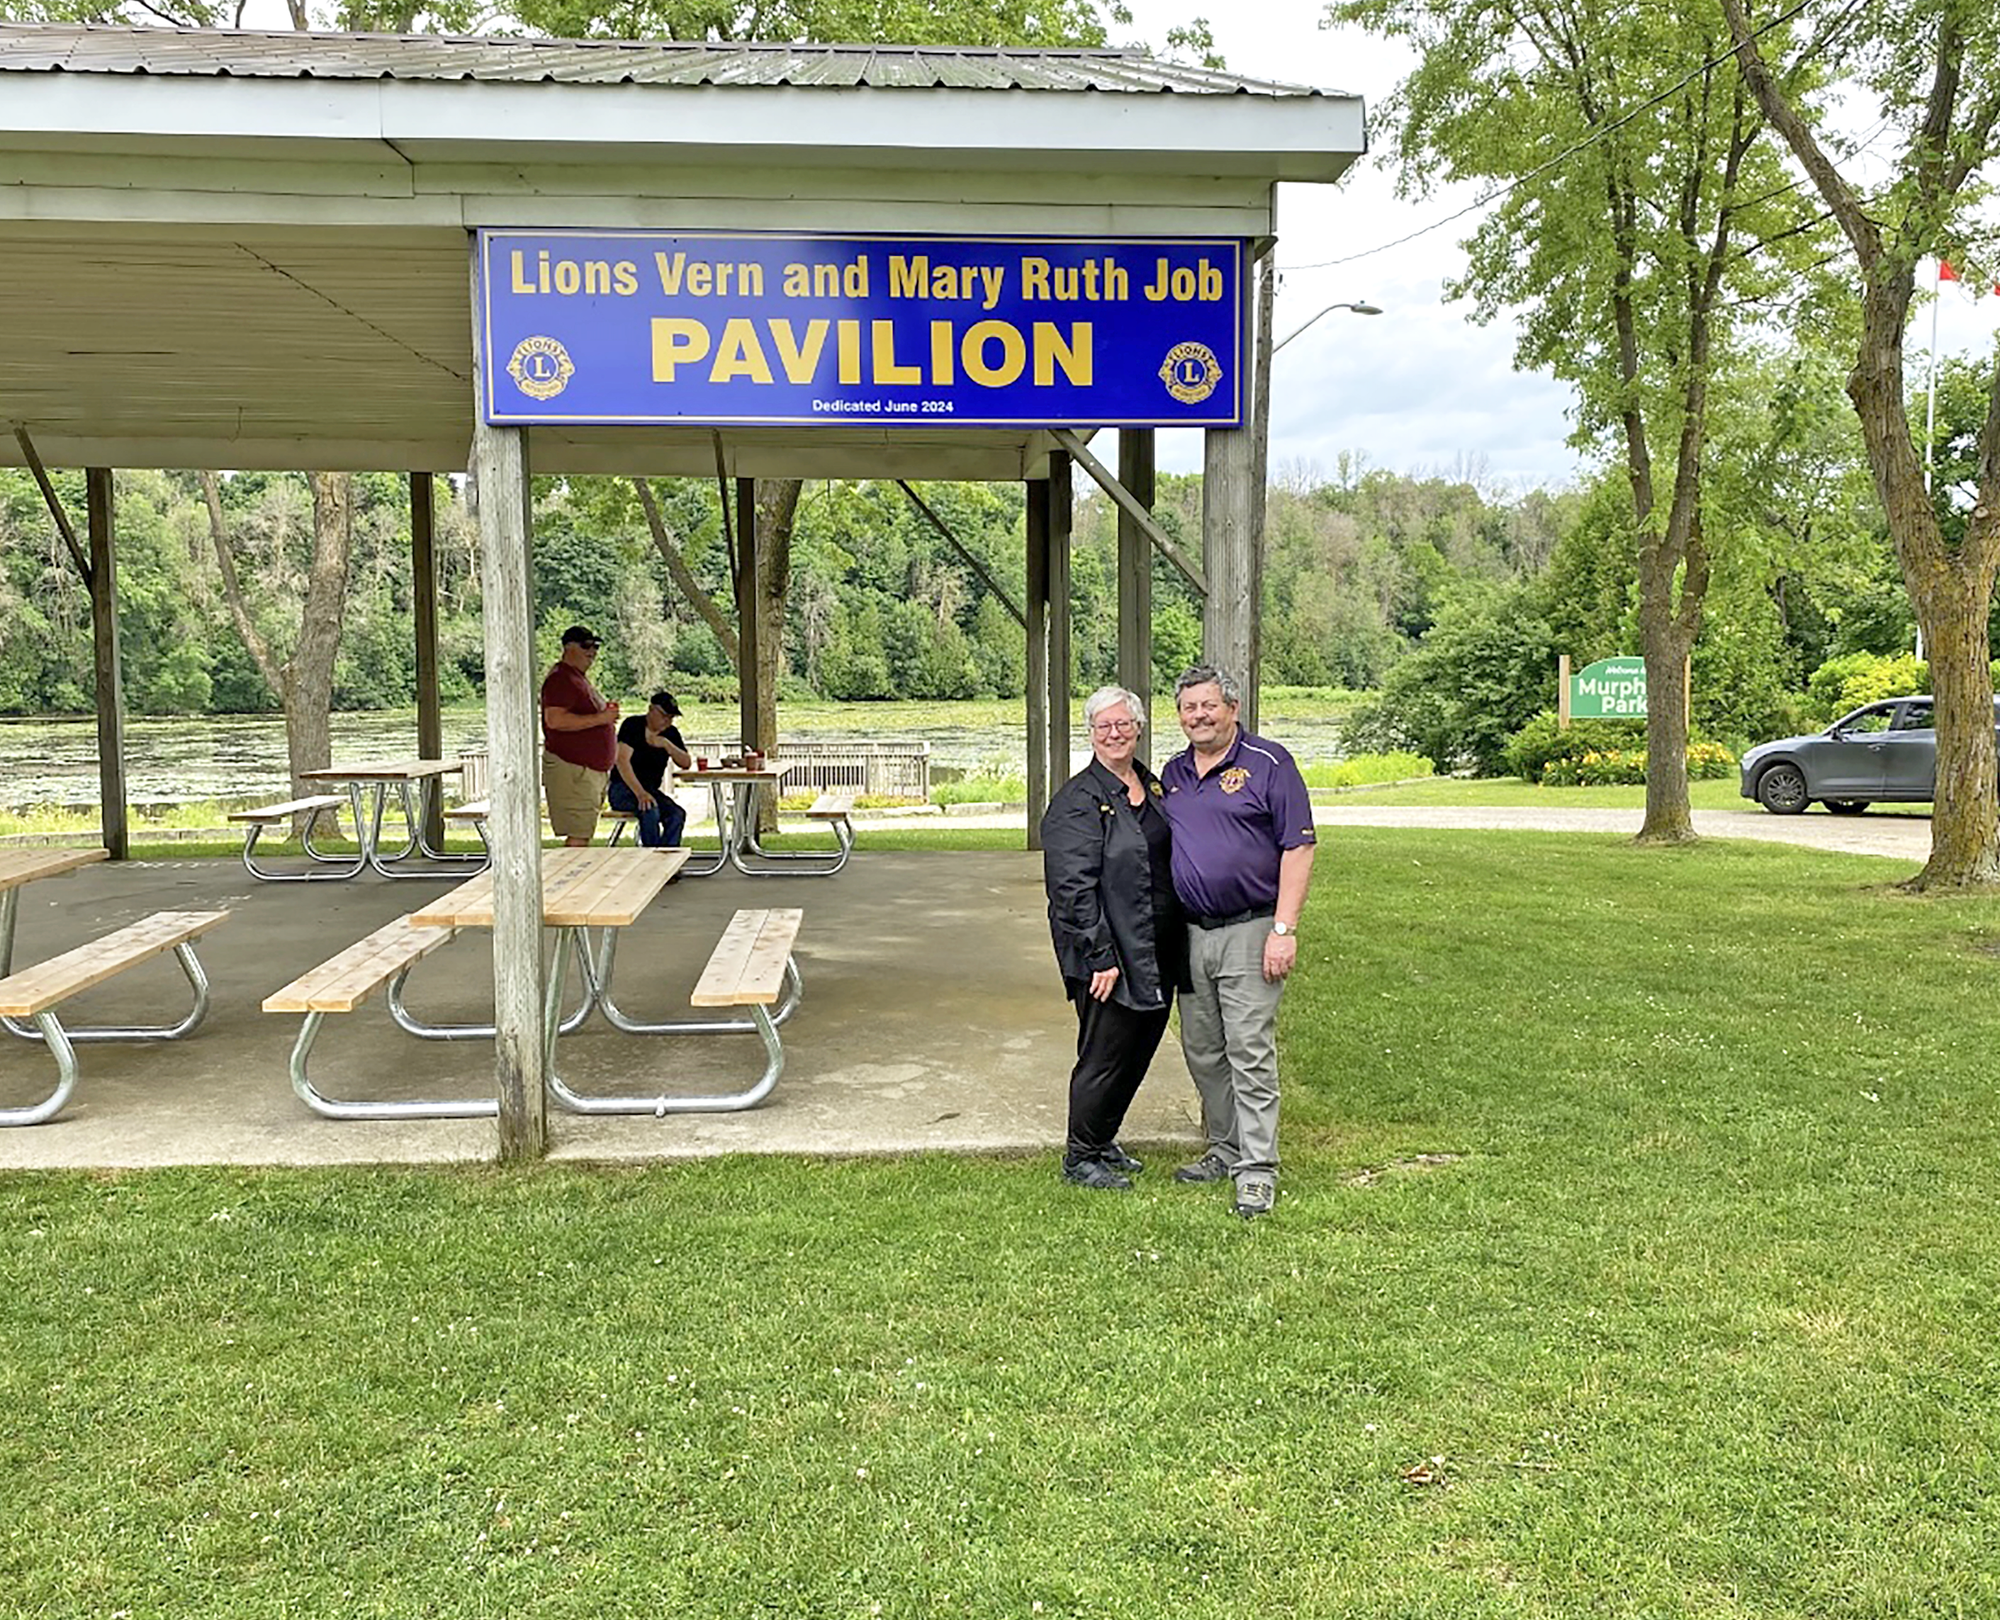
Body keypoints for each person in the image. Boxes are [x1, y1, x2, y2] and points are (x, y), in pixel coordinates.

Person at [1157, 664, 1316, 1218]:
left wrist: (1283, 929)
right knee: (1202, 1050)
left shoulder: (1270, 765)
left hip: (1252, 930)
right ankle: (1224, 1150)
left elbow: (1297, 849)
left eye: (1208, 706)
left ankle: (1258, 1169)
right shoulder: (1173, 773)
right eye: (1187, 708)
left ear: (1233, 708)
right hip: (1192, 934)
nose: (1198, 716)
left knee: (1248, 1049)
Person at [1040, 685, 1189, 1192]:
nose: (1115, 733)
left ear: (1140, 728)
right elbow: (1070, 888)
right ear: (1091, 734)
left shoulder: (1153, 787)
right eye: (1104, 726)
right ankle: (1080, 1156)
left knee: (1140, 1047)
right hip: (1110, 953)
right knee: (1106, 1054)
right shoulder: (1078, 802)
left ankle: (1103, 1139)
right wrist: (1098, 955)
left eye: (1124, 724)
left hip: (1155, 946)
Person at [539, 624, 618, 847]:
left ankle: (575, 878)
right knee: (578, 833)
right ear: (568, 647)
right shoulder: (560, 679)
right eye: (586, 646)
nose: (592, 652)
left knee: (583, 831)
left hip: (588, 770)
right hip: (573, 768)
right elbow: (555, 720)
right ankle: (571, 880)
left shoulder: (577, 679)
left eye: (595, 646)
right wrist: (601, 719)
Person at [608, 690, 693, 847]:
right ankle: (650, 856)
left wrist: (668, 746)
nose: (667, 721)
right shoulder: (633, 726)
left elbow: (686, 762)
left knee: (676, 814)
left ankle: (667, 858)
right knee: (650, 810)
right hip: (624, 788)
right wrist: (640, 793)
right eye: (663, 716)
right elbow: (622, 761)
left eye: (671, 718)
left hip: (651, 790)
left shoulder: (671, 733)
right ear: (651, 710)